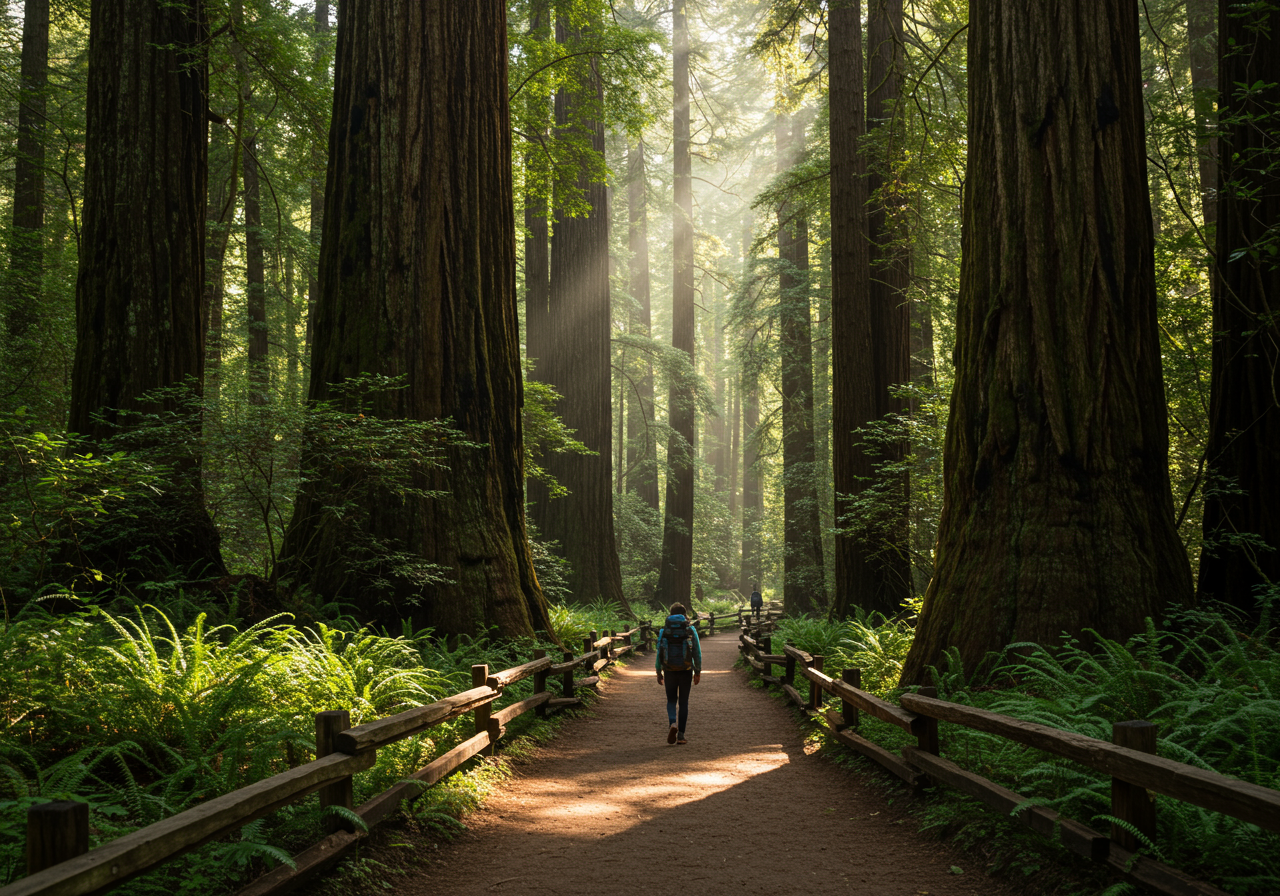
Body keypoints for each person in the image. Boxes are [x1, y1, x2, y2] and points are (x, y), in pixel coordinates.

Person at [655, 602, 702, 745]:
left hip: (669, 670)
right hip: (686, 670)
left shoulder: (664, 631)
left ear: (670, 614)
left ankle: (672, 723)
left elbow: (659, 653)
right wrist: (697, 671)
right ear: (685, 614)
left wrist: (658, 671)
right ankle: (681, 736)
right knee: (683, 702)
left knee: (670, 700)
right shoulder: (690, 630)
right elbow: (697, 652)